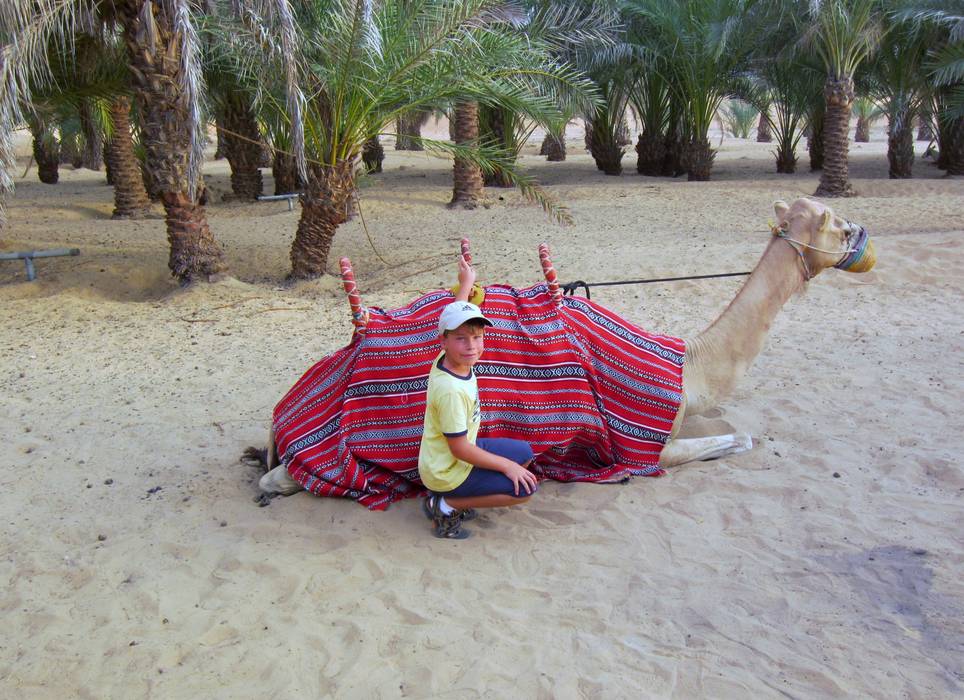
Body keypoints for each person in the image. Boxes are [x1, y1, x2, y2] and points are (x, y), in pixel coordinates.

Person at [417, 254, 538, 539]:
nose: (471, 346)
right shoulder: (451, 390)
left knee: (524, 454)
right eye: (461, 339)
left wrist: (465, 284)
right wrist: (506, 466)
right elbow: (460, 449)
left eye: (477, 337)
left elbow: (455, 316)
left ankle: (459, 497)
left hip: (450, 455)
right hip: (446, 469)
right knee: (524, 489)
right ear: (444, 341)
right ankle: (445, 504)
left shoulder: (447, 358)